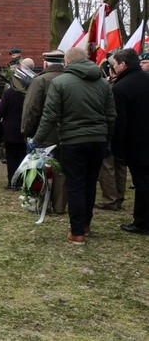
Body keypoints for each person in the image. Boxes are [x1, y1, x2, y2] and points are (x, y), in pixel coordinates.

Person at [29, 47, 116, 244]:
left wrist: (37, 140)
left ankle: (77, 232)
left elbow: (50, 115)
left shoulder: (60, 83)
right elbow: (111, 116)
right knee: (90, 183)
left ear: (67, 63)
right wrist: (107, 139)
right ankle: (85, 224)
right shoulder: (103, 84)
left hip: (72, 140)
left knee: (75, 185)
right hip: (98, 139)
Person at [21, 50, 67, 213]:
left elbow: (31, 109)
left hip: (45, 133)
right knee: (61, 170)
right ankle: (60, 206)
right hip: (67, 133)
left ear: (46, 63)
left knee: (43, 168)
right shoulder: (70, 79)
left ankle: (42, 205)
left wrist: (27, 132)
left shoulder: (40, 80)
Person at [109, 48, 149, 235]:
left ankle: (142, 223)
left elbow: (120, 122)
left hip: (137, 144)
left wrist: (117, 149)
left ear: (123, 64)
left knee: (142, 184)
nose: (114, 68)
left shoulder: (121, 88)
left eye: (115, 64)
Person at [95, 53, 127, 211]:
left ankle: (110, 199)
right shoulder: (121, 83)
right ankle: (119, 196)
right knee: (120, 165)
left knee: (107, 166)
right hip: (123, 130)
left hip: (111, 130)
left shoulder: (112, 87)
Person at [0, 63, 29, 190]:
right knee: (23, 156)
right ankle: (22, 181)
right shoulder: (29, 91)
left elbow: (0, 111)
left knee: (11, 157)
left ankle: (12, 182)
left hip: (11, 129)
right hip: (25, 128)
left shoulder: (9, 93)